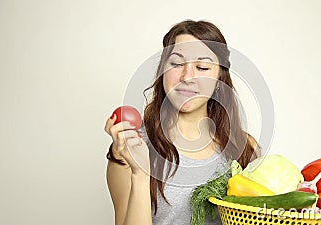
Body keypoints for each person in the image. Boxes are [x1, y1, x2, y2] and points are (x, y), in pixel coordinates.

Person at [104, 20, 261, 225]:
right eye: (177, 64)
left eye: (202, 67)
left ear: (219, 80)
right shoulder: (130, 148)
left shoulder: (245, 147)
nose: (187, 77)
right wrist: (140, 174)